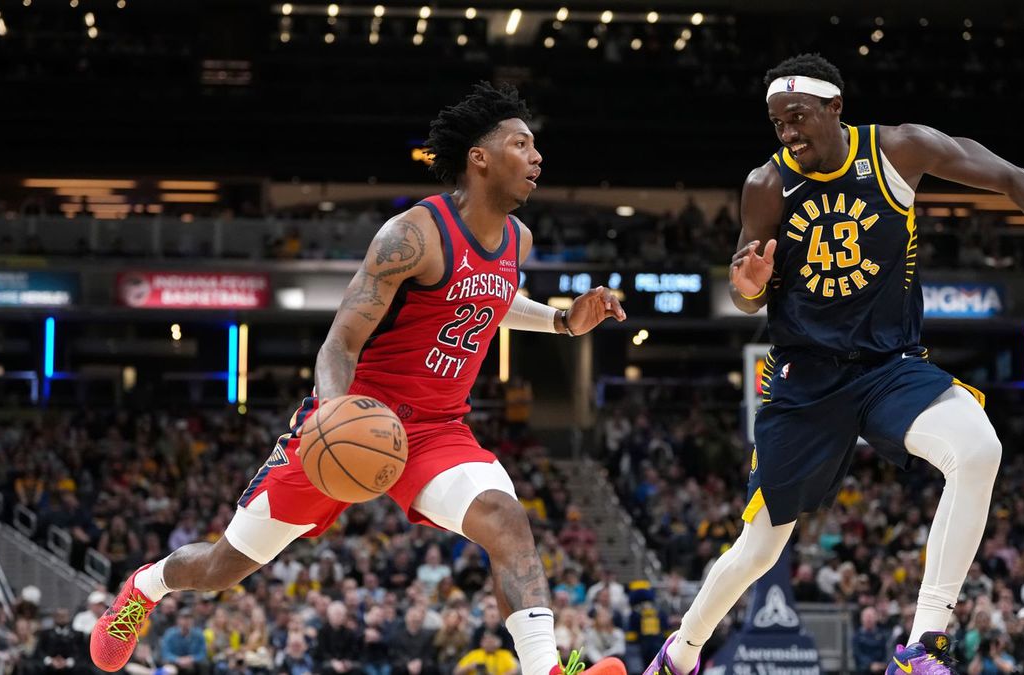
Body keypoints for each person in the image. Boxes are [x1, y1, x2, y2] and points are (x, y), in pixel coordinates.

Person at [89, 82, 627, 675]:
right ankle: (146, 585)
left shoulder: (517, 240)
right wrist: (332, 412)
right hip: (358, 417)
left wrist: (560, 321)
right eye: (522, 144)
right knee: (223, 568)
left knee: (505, 519)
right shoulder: (411, 236)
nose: (536, 157)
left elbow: (494, 298)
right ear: (480, 157)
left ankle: (544, 669)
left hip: (438, 431)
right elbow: (340, 341)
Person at [643, 52, 1024, 675]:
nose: (789, 132)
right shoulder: (766, 184)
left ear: (836, 107)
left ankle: (923, 646)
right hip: (805, 376)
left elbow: (1011, 178)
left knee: (977, 449)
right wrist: (748, 285)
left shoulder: (899, 151)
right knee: (759, 547)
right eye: (778, 122)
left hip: (890, 365)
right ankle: (682, 652)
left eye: (800, 116)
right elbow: (747, 290)